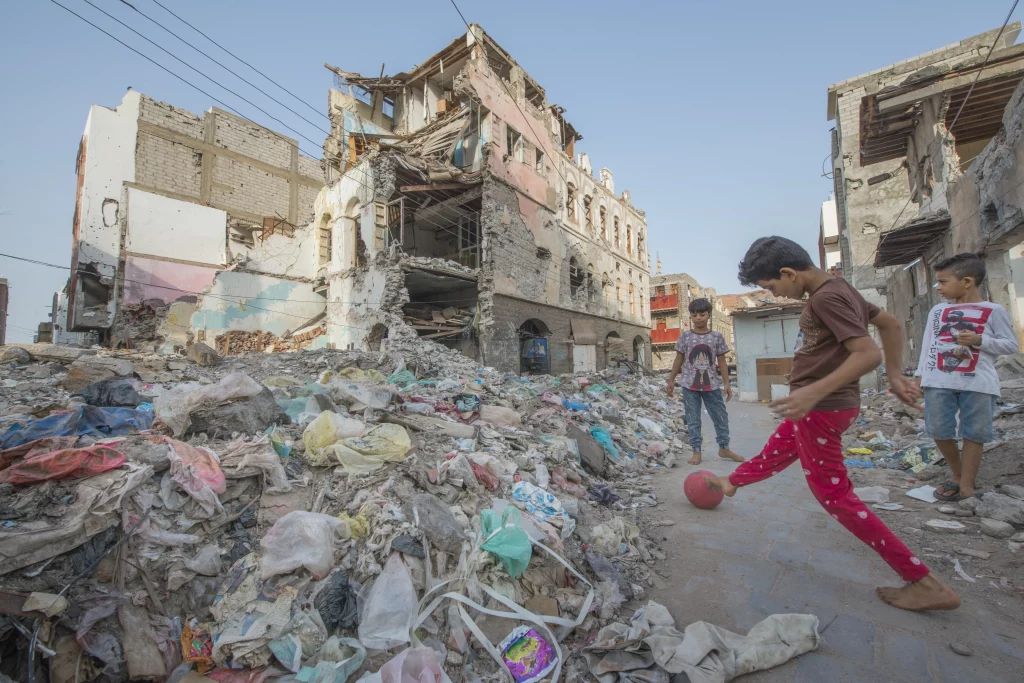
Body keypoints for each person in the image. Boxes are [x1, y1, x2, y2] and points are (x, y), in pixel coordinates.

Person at [706, 236, 960, 612]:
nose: (774, 294)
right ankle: (733, 481)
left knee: (836, 497)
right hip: (822, 407)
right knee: (779, 448)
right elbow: (889, 324)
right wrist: (893, 374)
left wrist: (812, 393)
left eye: (771, 287)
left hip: (822, 407)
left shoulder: (826, 297)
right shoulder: (839, 289)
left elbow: (866, 352)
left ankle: (923, 581)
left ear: (789, 272)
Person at [917, 253, 1018, 502]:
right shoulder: (938, 312)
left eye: (943, 282)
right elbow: (928, 344)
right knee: (939, 430)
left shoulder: (993, 310)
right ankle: (958, 473)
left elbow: (1010, 345)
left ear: (967, 281)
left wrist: (979, 340)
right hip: (939, 380)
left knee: (974, 433)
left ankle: (966, 485)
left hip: (979, 382)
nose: (938, 288)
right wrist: (920, 375)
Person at [666, 298, 744, 465]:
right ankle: (696, 451)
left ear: (709, 315)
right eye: (695, 315)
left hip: (712, 385)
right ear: (690, 317)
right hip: (689, 385)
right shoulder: (685, 337)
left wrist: (727, 383)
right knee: (693, 419)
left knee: (720, 416)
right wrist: (671, 380)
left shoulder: (716, 337)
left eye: (702, 314)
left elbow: (721, 362)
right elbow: (678, 359)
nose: (699, 318)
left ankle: (724, 447)